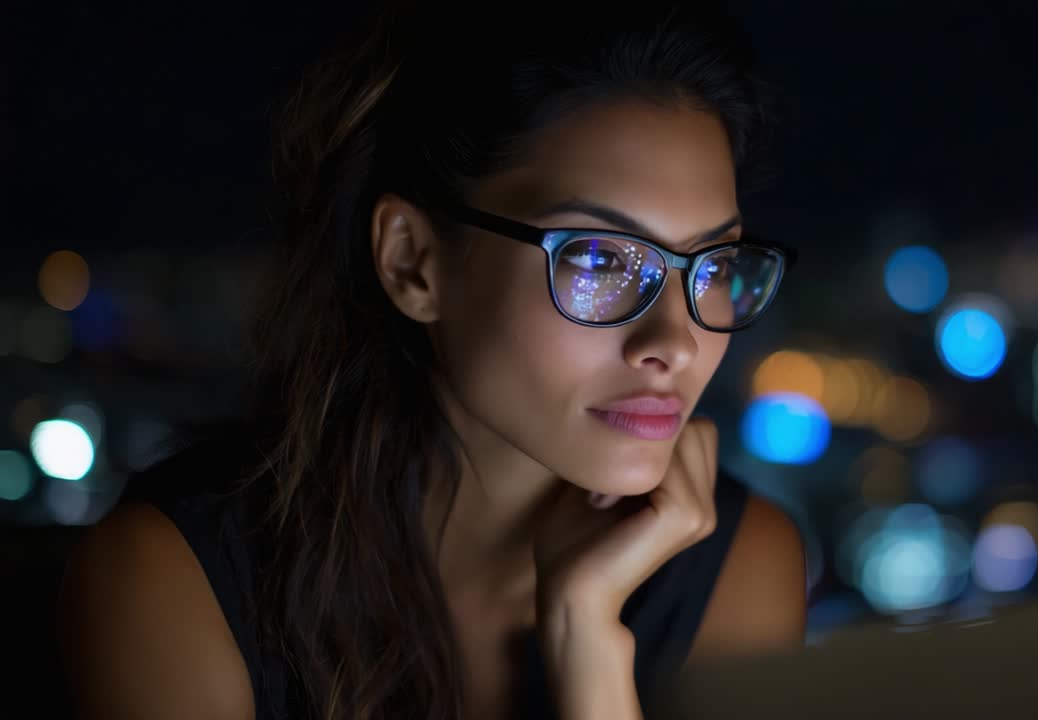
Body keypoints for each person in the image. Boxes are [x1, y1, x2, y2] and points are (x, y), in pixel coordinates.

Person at [56, 1, 807, 718]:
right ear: (414, 263)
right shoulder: (173, 581)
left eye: (715, 262)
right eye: (599, 261)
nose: (674, 342)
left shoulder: (740, 568)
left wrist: (588, 644)